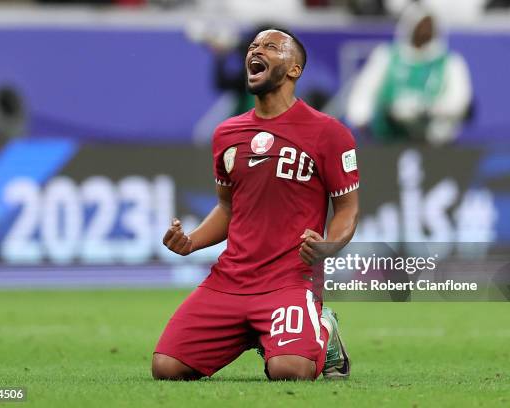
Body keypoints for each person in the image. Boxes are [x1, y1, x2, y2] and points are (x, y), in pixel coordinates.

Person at [153, 28, 360, 381]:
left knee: (289, 371)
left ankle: (323, 333)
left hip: (290, 281)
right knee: (166, 368)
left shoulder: (328, 132)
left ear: (294, 69)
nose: (256, 51)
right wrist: (192, 241)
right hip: (231, 280)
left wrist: (329, 246)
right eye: (252, 46)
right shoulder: (227, 133)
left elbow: (347, 208)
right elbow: (228, 208)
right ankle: (257, 331)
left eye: (270, 46)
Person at [346, 3, 472, 145]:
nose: (424, 31)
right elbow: (364, 91)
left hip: (433, 140)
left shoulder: (450, 62)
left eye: (429, 26)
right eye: (420, 25)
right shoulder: (387, 56)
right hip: (388, 136)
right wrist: (362, 118)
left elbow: (458, 102)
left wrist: (424, 111)